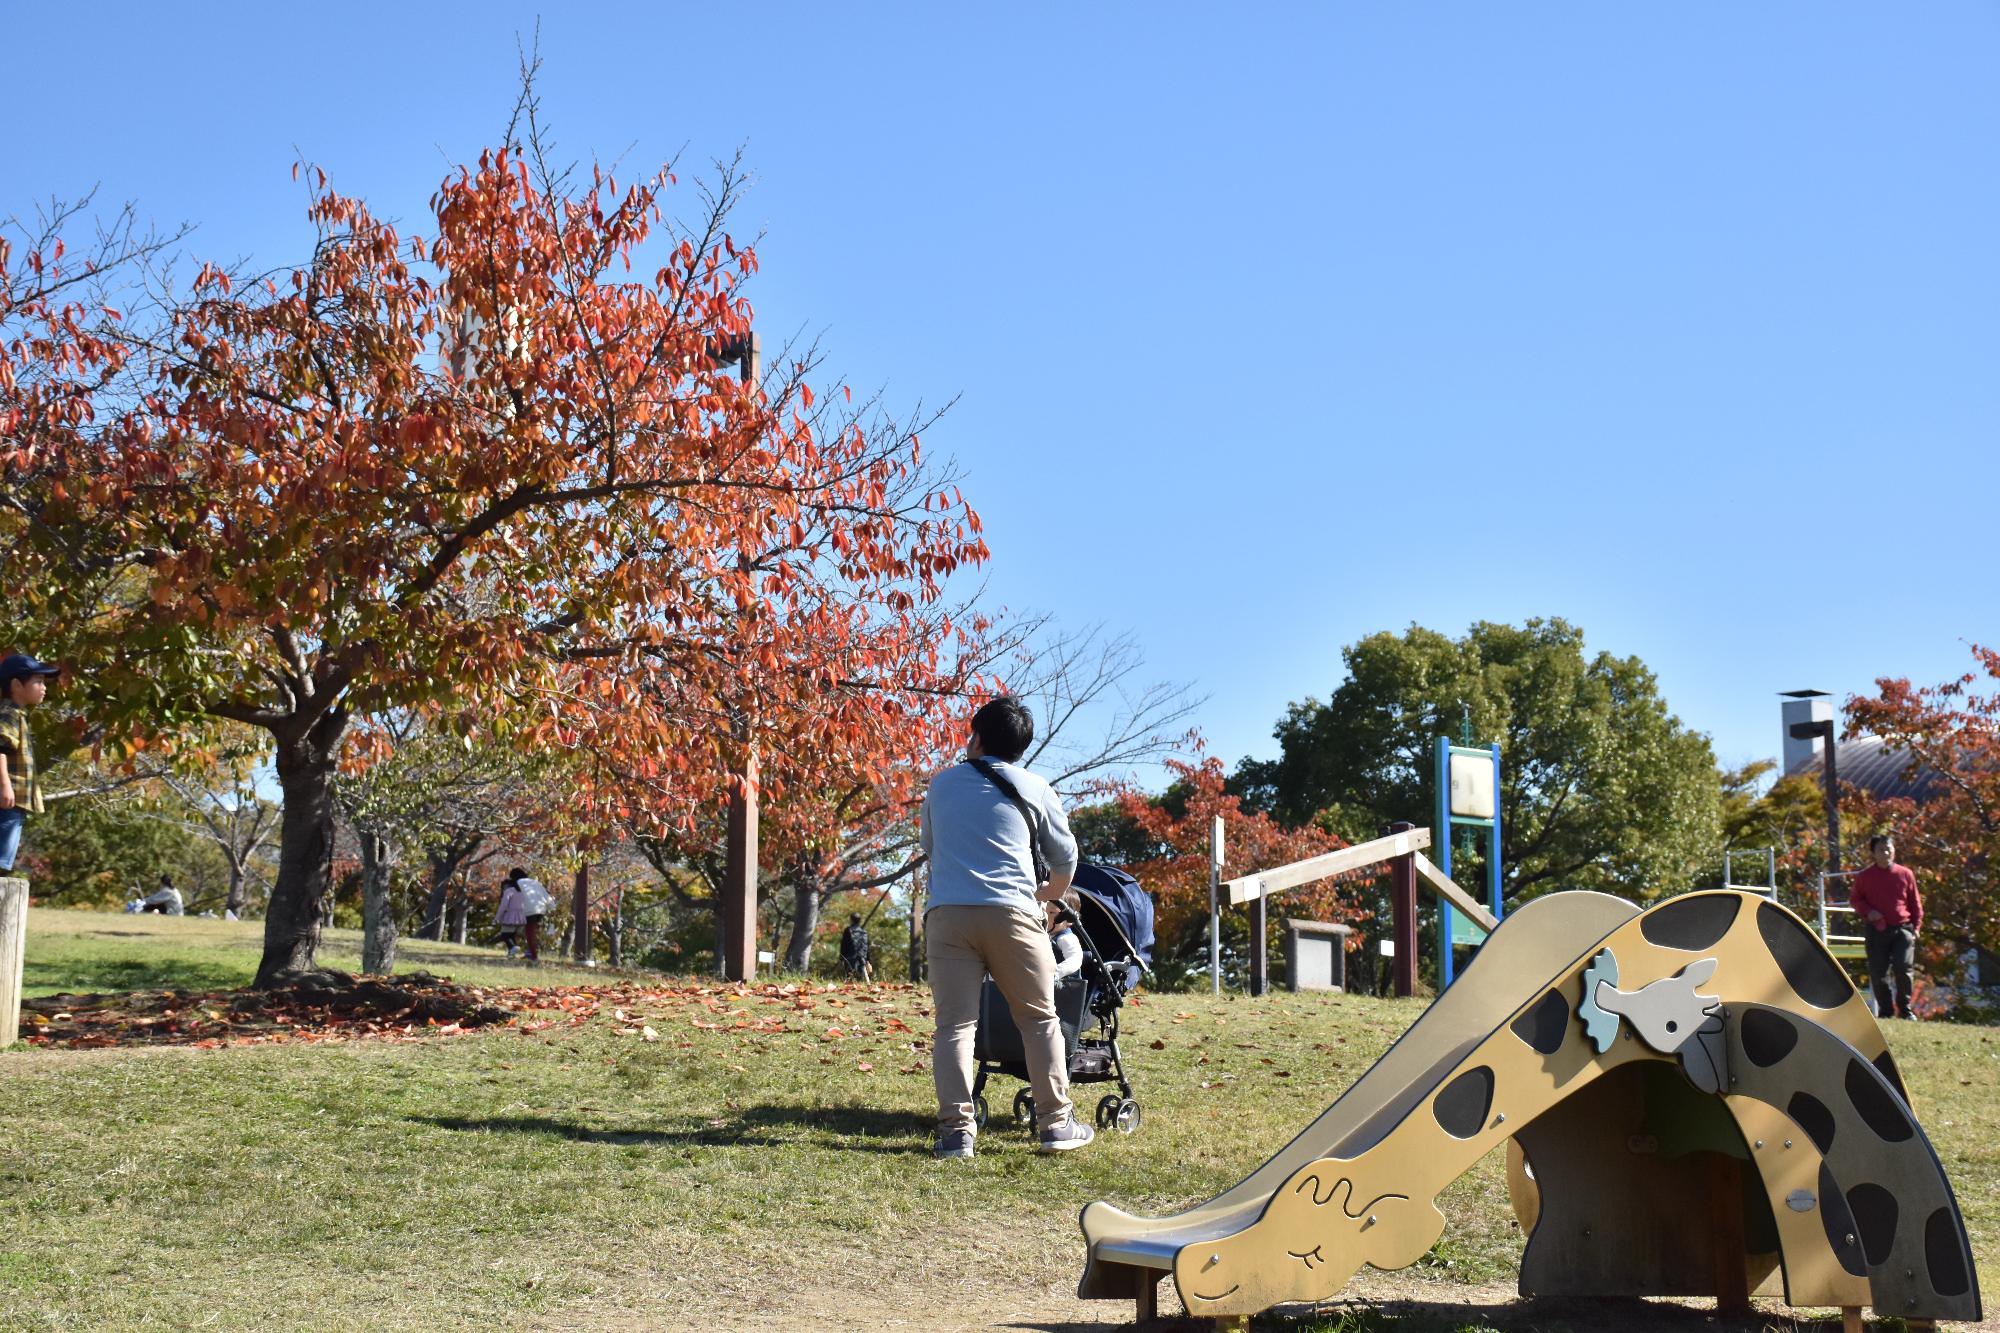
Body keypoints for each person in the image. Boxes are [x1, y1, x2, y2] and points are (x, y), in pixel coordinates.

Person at [919, 696, 1092, 1159]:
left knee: (954, 1025)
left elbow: (930, 848)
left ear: (975, 736)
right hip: (1014, 912)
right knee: (1039, 1020)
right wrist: (1046, 895)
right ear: (1021, 748)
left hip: (949, 912)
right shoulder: (1035, 787)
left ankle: (956, 1132)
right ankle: (1056, 1123)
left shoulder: (940, 785)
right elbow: (1065, 859)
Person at [1848, 834, 1923, 1019]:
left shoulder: (1906, 874)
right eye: (1881, 849)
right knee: (1878, 972)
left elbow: (1915, 903)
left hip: (1903, 929)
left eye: (1889, 848)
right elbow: (1855, 899)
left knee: (1903, 968)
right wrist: (1868, 911)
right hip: (1877, 929)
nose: (1886, 852)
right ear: (1873, 852)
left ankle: (1905, 1010)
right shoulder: (1865, 876)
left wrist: (1916, 928)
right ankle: (1886, 1011)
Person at [0, 653, 61, 874]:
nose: (43, 687)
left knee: (5, 857)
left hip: (16, 797)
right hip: (9, 797)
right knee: (1, 856)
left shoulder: (18, 714)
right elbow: (0, 749)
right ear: (16, 684)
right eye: (38, 682)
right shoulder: (9, 714)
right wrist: (5, 786)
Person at [511, 868, 554, 965]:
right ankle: (529, 953)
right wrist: (552, 907)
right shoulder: (534, 882)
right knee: (530, 931)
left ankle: (534, 956)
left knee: (529, 932)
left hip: (529, 910)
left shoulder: (518, 882)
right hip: (541, 908)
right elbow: (546, 894)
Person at [1045, 892, 1085, 981]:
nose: (1046, 916)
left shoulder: (1067, 938)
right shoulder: (1045, 935)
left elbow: (1075, 960)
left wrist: (1055, 973)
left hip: (1063, 986)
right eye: (1043, 910)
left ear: (1069, 919)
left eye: (1051, 912)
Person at [496, 875, 527, 959]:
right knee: (512, 935)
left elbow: (503, 906)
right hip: (522, 917)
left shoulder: (509, 891)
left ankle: (513, 947)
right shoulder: (524, 892)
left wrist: (497, 917)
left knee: (505, 935)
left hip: (511, 917)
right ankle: (511, 954)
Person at [839, 912, 874, 981]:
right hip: (862, 957)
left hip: (850, 957)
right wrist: (868, 960)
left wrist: (841, 957)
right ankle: (867, 985)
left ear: (851, 920)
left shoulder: (848, 930)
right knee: (863, 978)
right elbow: (867, 947)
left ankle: (850, 986)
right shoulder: (864, 932)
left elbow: (844, 944)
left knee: (850, 976)